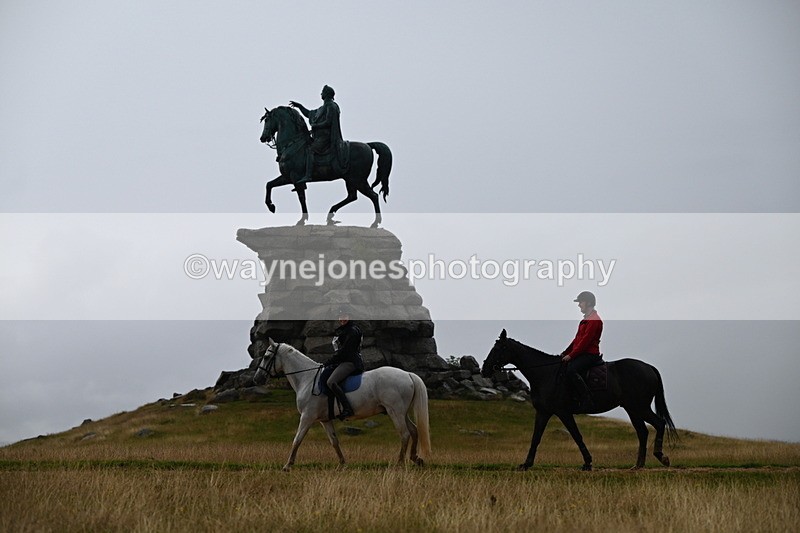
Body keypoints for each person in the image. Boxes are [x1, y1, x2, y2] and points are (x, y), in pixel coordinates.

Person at [289, 85, 347, 189]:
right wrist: (300, 106)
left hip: (326, 137)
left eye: (322, 92)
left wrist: (316, 125)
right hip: (318, 137)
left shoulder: (331, 106)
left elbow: (329, 122)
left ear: (326, 94)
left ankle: (308, 175)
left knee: (310, 150)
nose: (321, 94)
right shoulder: (322, 108)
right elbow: (309, 114)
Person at [561, 291, 603, 411]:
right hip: (582, 353)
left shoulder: (594, 320)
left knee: (571, 370)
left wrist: (571, 355)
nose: (579, 305)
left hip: (590, 354)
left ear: (588, 303)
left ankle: (586, 398)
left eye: (581, 302)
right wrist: (565, 352)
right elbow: (577, 340)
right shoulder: (586, 320)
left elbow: (585, 342)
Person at [325, 307, 364, 420]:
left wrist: (329, 362)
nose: (342, 319)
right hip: (343, 360)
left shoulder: (352, 331)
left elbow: (345, 351)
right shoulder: (343, 330)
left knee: (331, 382)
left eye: (345, 316)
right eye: (340, 317)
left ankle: (348, 409)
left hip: (351, 361)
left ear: (349, 317)